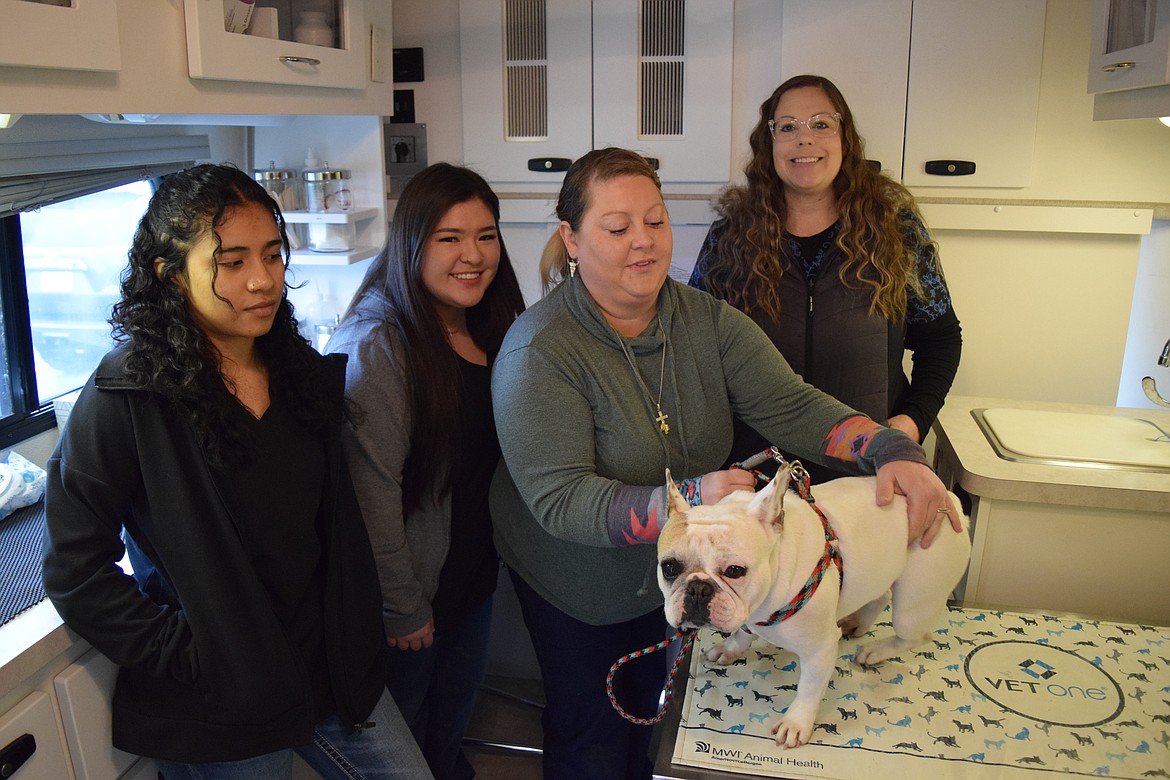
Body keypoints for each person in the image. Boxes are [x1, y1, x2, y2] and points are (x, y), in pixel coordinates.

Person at [488, 147, 964, 780]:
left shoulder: (703, 319)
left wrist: (888, 447)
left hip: (687, 571)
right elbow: (562, 501)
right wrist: (695, 493)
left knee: (651, 722)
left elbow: (790, 404)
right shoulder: (540, 352)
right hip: (583, 584)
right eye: (617, 227)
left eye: (655, 222)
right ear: (571, 239)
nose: (644, 242)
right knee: (592, 732)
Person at [41, 164, 432, 780]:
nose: (263, 280)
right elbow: (74, 569)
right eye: (231, 262)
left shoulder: (296, 369)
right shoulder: (128, 396)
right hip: (224, 703)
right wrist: (190, 652)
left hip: (332, 675)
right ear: (169, 275)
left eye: (273, 255)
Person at [326, 163, 525, 779]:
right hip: (410, 600)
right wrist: (403, 608)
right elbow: (369, 495)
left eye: (486, 235)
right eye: (449, 238)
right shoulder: (379, 345)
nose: (473, 255)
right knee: (407, 755)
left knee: (447, 735)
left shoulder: (491, 322)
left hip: (469, 583)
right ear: (412, 243)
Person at [689, 74, 962, 484]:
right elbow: (694, 349)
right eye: (788, 127)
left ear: (845, 138)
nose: (805, 140)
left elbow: (940, 338)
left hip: (866, 473)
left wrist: (911, 422)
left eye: (821, 123)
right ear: (770, 144)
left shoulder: (895, 231)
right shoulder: (730, 237)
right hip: (757, 475)